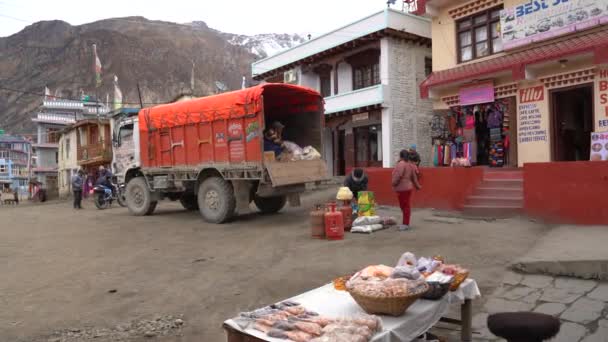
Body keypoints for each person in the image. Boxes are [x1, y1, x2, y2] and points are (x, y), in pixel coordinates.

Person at [392, 150, 422, 231]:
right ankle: (405, 223)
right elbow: (414, 178)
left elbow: (398, 175)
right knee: (405, 206)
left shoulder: (401, 164)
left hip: (402, 188)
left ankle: (405, 224)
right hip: (408, 188)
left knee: (404, 206)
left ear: (401, 156)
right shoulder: (410, 165)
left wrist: (393, 183)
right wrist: (418, 186)